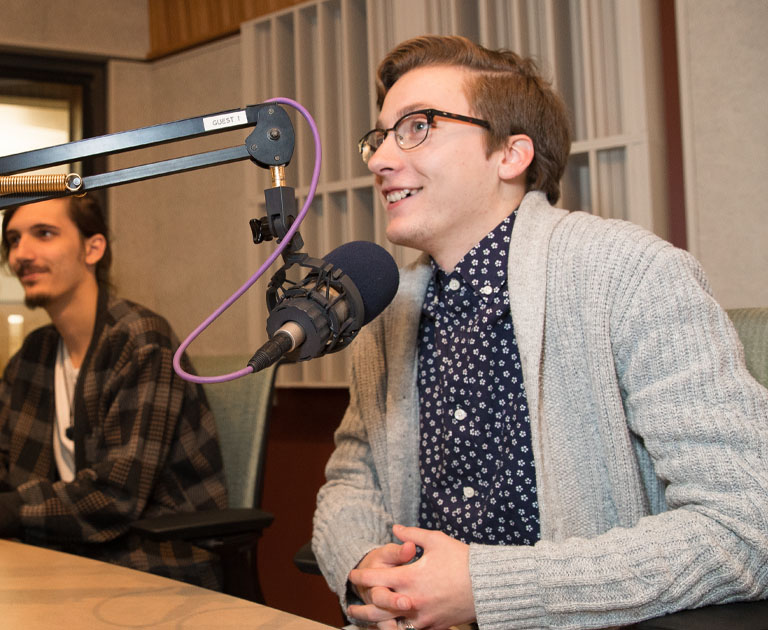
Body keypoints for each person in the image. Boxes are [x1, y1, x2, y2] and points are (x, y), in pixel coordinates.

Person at [310, 35, 768, 630]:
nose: (377, 159)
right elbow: (353, 477)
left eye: (416, 127)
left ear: (511, 154)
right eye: (380, 135)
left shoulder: (631, 274)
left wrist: (490, 589)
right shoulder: (387, 310)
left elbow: (748, 521)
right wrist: (366, 566)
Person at [0, 195, 228, 589]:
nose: (22, 254)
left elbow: (115, 496)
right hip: (65, 551)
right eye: (13, 240)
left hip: (154, 560)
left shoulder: (141, 340)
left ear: (93, 248)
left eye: (44, 234)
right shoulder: (35, 353)